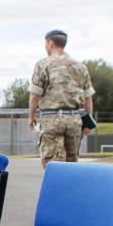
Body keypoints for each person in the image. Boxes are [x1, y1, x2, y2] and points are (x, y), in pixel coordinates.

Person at [28, 29, 95, 167]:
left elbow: (35, 95)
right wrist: (88, 123)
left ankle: (55, 188)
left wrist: (31, 116)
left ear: (50, 43)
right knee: (72, 165)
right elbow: (88, 98)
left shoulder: (43, 65)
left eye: (45, 44)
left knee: (53, 165)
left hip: (52, 119)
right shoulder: (80, 66)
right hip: (74, 120)